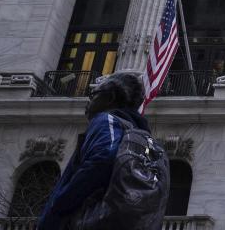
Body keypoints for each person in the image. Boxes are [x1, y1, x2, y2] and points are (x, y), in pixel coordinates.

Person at [38, 73, 155, 230]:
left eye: (94, 94)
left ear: (110, 97)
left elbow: (104, 158)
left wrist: (61, 202)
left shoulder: (106, 120)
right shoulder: (142, 137)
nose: (89, 101)